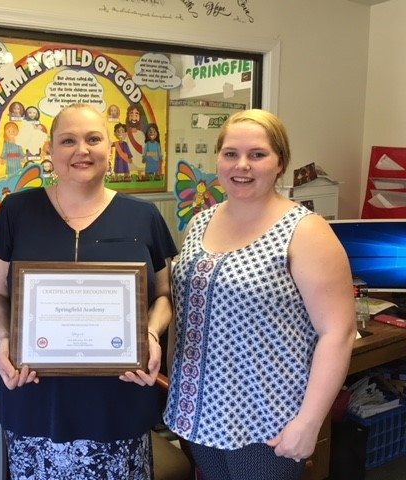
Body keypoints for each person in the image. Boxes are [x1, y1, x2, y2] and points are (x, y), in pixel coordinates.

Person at [0, 103, 178, 478]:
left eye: (93, 139)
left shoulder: (144, 216)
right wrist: (6, 337)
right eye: (68, 140)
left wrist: (151, 333)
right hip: (35, 392)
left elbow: (164, 296)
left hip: (117, 395)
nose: (81, 150)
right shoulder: (16, 211)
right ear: (50, 152)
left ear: (110, 148)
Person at [164, 109, 357, 480]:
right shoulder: (201, 221)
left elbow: (338, 333)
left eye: (257, 154)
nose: (242, 166)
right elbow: (185, 309)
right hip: (199, 409)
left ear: (280, 163)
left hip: (267, 419)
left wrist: (309, 422)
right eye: (231, 154)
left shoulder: (306, 231)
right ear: (218, 159)